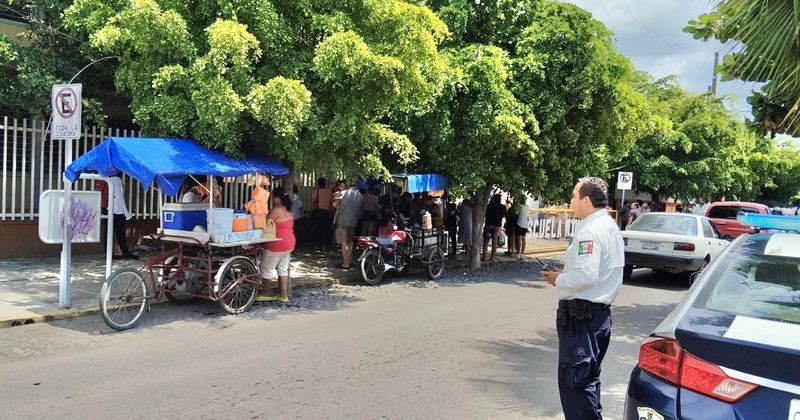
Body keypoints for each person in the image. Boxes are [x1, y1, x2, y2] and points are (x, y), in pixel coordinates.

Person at [541, 177, 624, 420]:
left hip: (582, 319)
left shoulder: (590, 230)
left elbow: (586, 276)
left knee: (575, 384)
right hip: (596, 317)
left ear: (586, 200)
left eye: (574, 196)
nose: (571, 201)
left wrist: (559, 279)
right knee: (587, 381)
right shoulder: (609, 225)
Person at [258, 187, 296, 303]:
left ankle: (267, 292)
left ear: (278, 198)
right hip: (289, 243)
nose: (272, 199)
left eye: (274, 196)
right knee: (283, 269)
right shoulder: (288, 210)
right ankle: (283, 295)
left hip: (277, 243)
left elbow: (265, 224)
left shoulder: (276, 210)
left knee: (266, 267)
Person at [95, 173, 138, 259]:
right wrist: (127, 213)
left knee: (107, 233)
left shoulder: (105, 178)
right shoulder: (117, 180)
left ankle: (108, 254)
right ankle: (125, 252)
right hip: (116, 210)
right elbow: (119, 197)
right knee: (120, 233)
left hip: (106, 209)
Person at [334, 182, 363, 269]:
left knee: (343, 243)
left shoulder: (343, 193)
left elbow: (335, 205)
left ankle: (345, 263)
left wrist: (336, 198)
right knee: (350, 242)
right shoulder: (360, 196)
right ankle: (349, 261)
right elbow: (360, 211)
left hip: (343, 221)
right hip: (353, 221)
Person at [310, 178, 333, 250]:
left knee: (317, 229)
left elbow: (313, 201)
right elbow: (331, 202)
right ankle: (324, 245)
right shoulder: (329, 192)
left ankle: (317, 245)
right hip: (327, 212)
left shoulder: (317, 192)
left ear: (318, 184)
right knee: (325, 229)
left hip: (318, 211)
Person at [482, 193, 506, 261]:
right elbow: (504, 215)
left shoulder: (489, 206)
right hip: (498, 225)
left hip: (489, 224)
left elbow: (485, 214)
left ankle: (484, 256)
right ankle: (492, 257)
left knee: (486, 241)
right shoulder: (503, 207)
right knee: (494, 241)